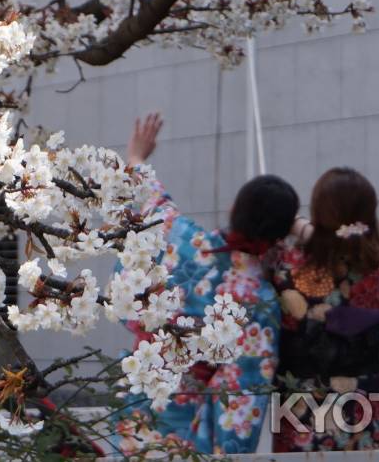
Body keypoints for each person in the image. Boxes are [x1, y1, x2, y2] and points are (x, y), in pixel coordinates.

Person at [112, 113, 300, 455]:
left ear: (232, 209)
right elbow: (242, 397)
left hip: (137, 401)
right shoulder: (258, 301)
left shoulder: (178, 235)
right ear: (281, 236)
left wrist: (137, 157)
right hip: (187, 423)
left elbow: (154, 200)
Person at [271, 166, 379, 452]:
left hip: (307, 401)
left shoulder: (289, 265)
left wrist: (299, 226)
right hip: (371, 396)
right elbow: (346, 247)